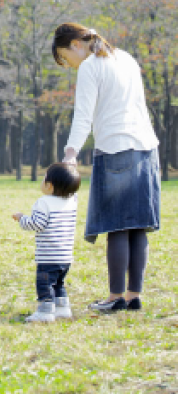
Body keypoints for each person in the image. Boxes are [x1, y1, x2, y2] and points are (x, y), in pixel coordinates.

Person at [52, 23, 160, 313]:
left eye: (65, 57)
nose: (69, 64)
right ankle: (132, 296)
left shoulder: (91, 65)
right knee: (138, 227)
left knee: (117, 226)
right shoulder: (125, 57)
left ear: (76, 44)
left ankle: (114, 298)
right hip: (147, 148)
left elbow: (83, 116)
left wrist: (70, 153)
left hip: (116, 148)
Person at [13, 163, 81, 323]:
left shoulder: (44, 202)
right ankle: (63, 309)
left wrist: (21, 218)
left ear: (49, 186)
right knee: (59, 283)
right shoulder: (72, 201)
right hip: (65, 256)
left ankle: (45, 312)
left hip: (48, 256)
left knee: (45, 284)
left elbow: (36, 224)